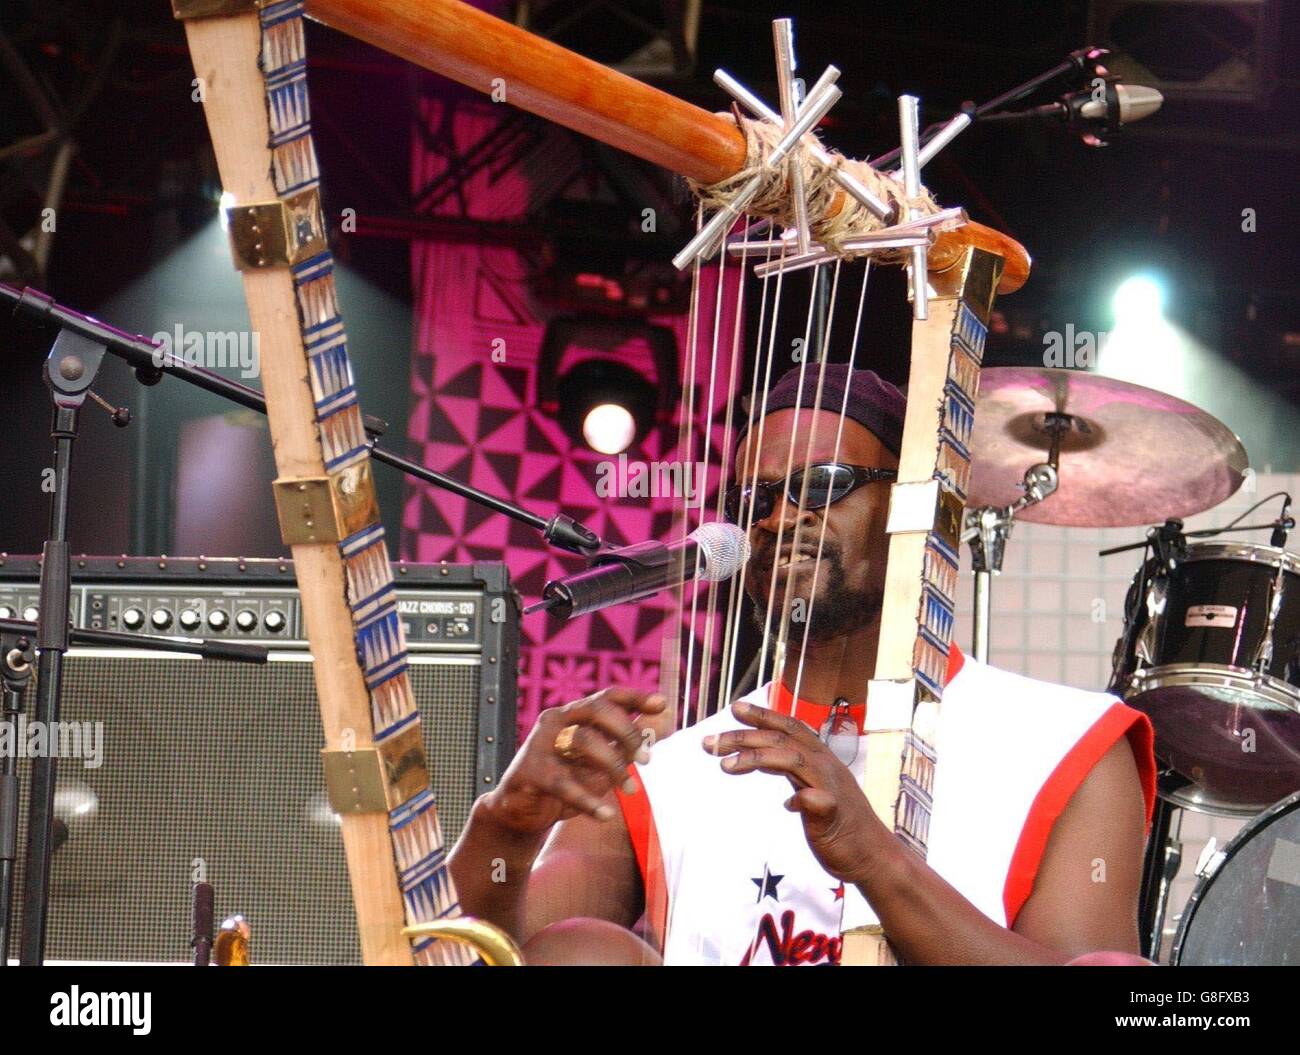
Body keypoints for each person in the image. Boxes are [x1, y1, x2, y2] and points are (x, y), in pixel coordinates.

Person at [449, 364, 1156, 965]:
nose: (781, 518)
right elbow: (506, 952)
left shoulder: (1070, 743)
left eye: (823, 484)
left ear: (919, 505)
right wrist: (505, 828)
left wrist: (880, 865)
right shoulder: (666, 773)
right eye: (755, 500)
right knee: (580, 949)